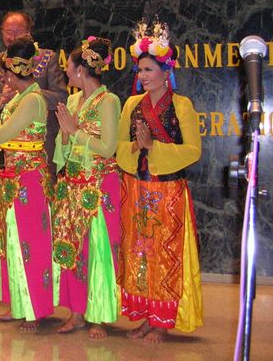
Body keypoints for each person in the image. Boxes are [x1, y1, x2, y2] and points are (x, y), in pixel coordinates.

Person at [117, 21, 203, 343]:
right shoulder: (131, 105)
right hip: (137, 189)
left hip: (168, 192)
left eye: (149, 69)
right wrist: (136, 147)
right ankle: (145, 316)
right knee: (140, 254)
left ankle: (162, 321)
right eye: (140, 70)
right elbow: (120, 148)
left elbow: (193, 151)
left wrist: (154, 147)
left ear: (166, 71)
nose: (143, 76)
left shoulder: (182, 106)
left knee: (165, 254)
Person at [0, 36, 54, 333]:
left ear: (13, 72)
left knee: (31, 243)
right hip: (14, 179)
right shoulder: (20, 98)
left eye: (6, 71)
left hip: (29, 180)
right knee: (12, 240)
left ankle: (34, 309)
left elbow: (2, 135)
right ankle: (19, 302)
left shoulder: (33, 99)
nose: (5, 77)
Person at [51, 37, 121, 339]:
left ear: (81, 70)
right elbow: (63, 148)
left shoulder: (109, 101)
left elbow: (108, 148)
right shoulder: (72, 101)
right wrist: (66, 136)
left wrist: (75, 131)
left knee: (97, 249)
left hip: (99, 185)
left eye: (68, 67)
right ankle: (76, 312)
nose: (65, 72)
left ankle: (98, 314)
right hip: (73, 183)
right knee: (73, 247)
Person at [0, 10, 67, 175]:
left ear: (29, 32)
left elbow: (61, 98)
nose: (13, 37)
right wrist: (3, 97)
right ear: (1, 33)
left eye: (18, 32)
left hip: (41, 148)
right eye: (8, 32)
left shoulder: (47, 58)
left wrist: (25, 93)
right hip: (6, 148)